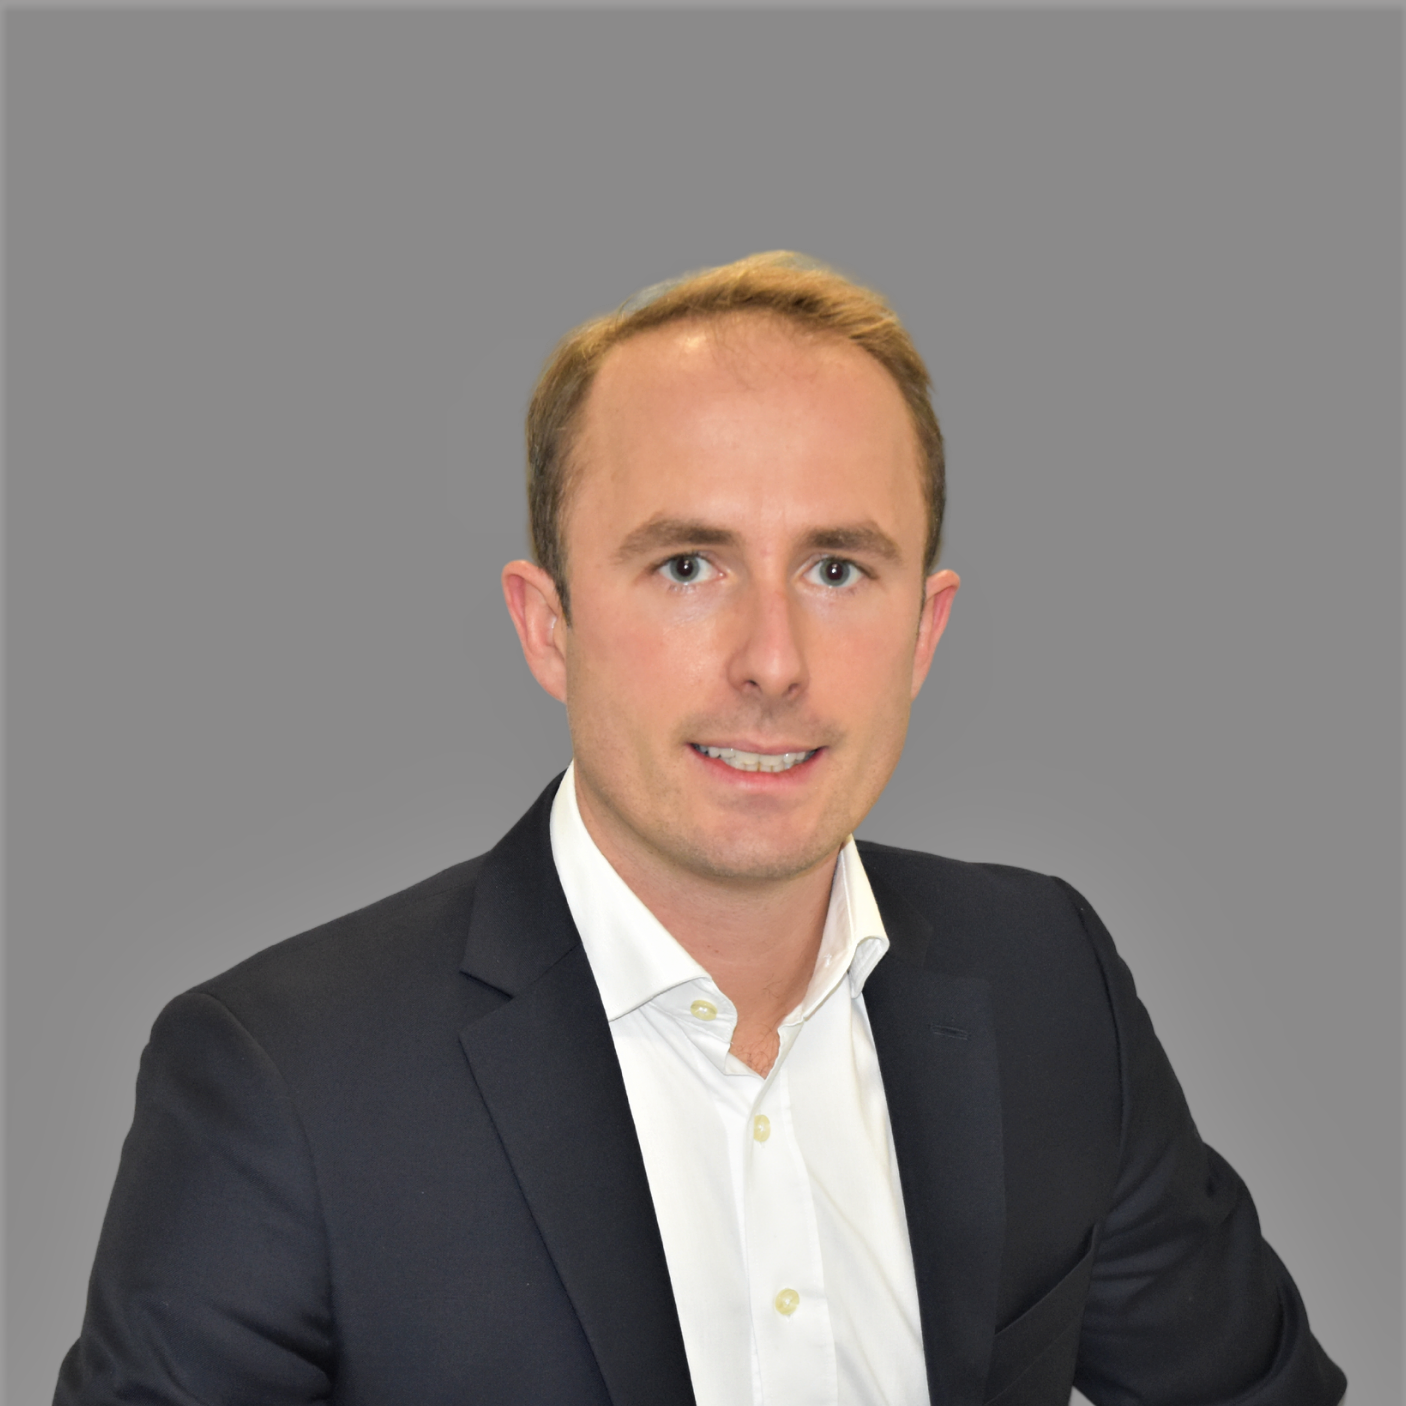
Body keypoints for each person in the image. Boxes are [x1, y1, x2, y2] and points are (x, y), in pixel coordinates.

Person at [55, 253, 1346, 1406]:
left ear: (924, 630)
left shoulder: (1048, 978)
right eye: (687, 566)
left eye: (836, 569)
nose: (772, 661)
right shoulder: (285, 1083)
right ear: (547, 626)